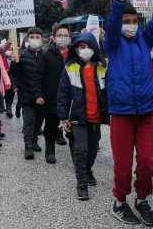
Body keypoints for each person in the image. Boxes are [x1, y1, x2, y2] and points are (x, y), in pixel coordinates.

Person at [105, 0, 153, 226]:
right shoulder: (113, 44)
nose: (130, 25)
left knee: (147, 162)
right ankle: (119, 201)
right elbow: (111, 24)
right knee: (122, 165)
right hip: (121, 114)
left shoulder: (145, 39)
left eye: (134, 21)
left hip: (145, 113)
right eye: (126, 21)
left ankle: (142, 199)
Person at [57, 33, 108, 201]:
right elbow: (63, 93)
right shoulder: (69, 68)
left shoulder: (103, 67)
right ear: (76, 49)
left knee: (93, 151)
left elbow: (110, 91)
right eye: (81, 47)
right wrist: (64, 117)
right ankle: (82, 184)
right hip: (77, 117)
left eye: (88, 46)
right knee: (81, 150)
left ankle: (87, 171)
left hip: (96, 118)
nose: (85, 50)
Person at [9, 27, 45, 160]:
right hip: (26, 95)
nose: (35, 39)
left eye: (37, 37)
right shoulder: (21, 55)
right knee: (29, 121)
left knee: (39, 121)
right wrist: (15, 63)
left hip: (42, 96)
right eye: (32, 37)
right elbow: (13, 74)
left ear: (42, 39)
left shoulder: (45, 56)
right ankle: (28, 146)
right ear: (27, 39)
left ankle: (34, 140)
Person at [39, 24, 71, 164]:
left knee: (73, 128)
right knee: (50, 126)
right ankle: (50, 151)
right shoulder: (46, 55)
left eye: (65, 35)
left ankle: (78, 156)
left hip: (71, 98)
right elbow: (39, 76)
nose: (62, 38)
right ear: (54, 37)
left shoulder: (75, 55)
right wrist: (40, 94)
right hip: (52, 96)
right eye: (60, 35)